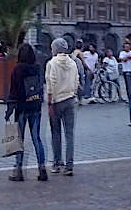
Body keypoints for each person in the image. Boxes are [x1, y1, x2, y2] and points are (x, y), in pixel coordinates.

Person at [5, 43, 47, 181]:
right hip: (35, 106)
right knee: (37, 138)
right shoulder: (37, 68)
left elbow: (14, 91)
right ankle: (42, 168)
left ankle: (18, 170)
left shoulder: (18, 69)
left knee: (19, 139)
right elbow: (41, 86)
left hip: (22, 108)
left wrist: (9, 110)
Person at [45, 38, 79, 175]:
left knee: (56, 133)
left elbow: (50, 83)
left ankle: (57, 163)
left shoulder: (51, 63)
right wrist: (73, 92)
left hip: (56, 100)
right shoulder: (73, 62)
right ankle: (69, 165)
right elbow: (77, 80)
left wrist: (49, 102)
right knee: (69, 134)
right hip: (70, 99)